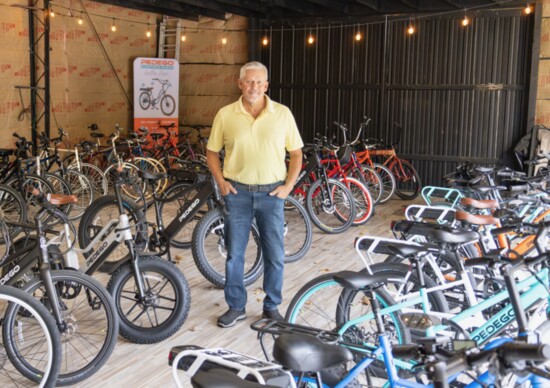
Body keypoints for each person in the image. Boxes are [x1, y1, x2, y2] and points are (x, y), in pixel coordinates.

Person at [206, 61, 304, 328]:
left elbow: (296, 154)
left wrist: (288, 186)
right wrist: (221, 182)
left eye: (260, 82)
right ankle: (236, 307)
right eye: (249, 81)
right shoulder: (225, 114)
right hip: (237, 194)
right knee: (235, 254)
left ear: (266, 85)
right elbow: (212, 152)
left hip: (272, 195)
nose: (254, 87)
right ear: (240, 83)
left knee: (275, 254)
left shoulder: (282, 114)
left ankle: (271, 307)